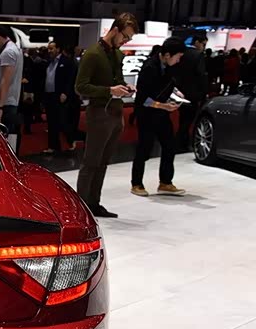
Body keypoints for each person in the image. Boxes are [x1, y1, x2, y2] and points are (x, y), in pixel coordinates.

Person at [74, 12, 139, 218]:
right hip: (99, 114)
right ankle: (82, 209)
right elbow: (80, 87)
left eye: (129, 38)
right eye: (125, 36)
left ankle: (94, 203)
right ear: (115, 30)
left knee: (103, 163)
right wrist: (110, 91)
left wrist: (125, 87)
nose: (126, 41)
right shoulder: (92, 54)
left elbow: (116, 80)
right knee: (91, 162)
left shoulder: (117, 54)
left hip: (115, 113)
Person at [130, 37, 186, 197]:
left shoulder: (169, 67)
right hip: (146, 114)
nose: (178, 60)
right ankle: (136, 184)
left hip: (161, 114)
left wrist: (176, 93)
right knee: (144, 149)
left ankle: (165, 182)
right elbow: (143, 99)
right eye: (178, 57)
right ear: (167, 55)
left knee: (169, 146)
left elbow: (168, 84)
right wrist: (163, 106)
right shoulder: (149, 68)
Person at [0, 25, 24, 149]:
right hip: (8, 101)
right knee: (7, 138)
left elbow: (5, 81)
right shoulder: (15, 49)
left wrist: (0, 108)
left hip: (3, 103)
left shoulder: (8, 52)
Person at [173, 34, 208, 153]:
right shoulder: (198, 55)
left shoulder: (182, 53)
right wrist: (203, 93)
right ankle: (180, 142)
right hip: (194, 93)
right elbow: (201, 75)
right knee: (189, 120)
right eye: (203, 44)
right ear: (197, 42)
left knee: (183, 118)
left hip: (179, 91)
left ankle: (182, 141)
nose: (204, 47)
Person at [42, 40, 78, 154]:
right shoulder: (48, 62)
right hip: (49, 95)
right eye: (48, 49)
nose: (49, 51)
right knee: (51, 122)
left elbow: (70, 79)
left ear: (58, 49)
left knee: (62, 120)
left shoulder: (66, 62)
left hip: (60, 95)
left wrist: (65, 93)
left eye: (51, 48)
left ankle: (71, 140)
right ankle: (53, 146)